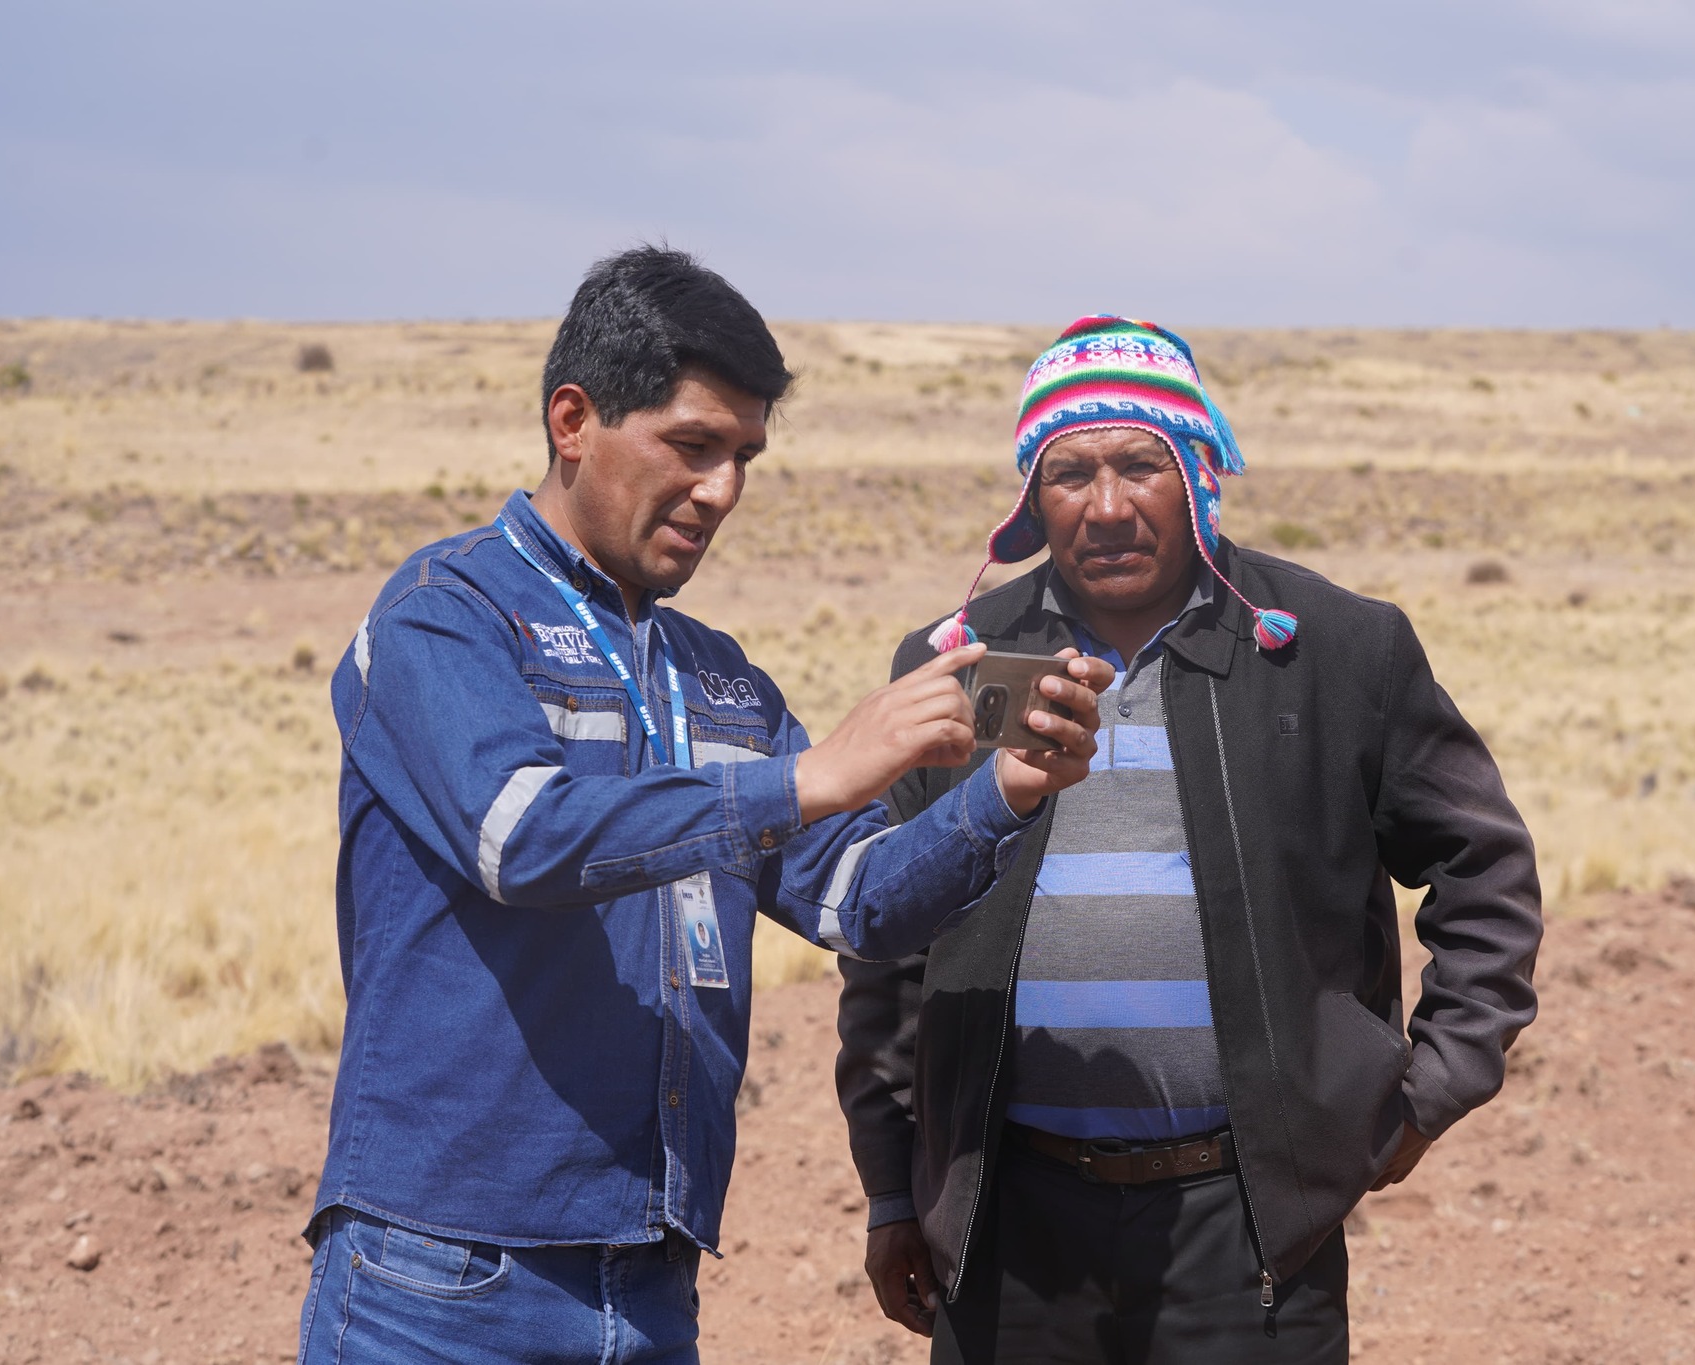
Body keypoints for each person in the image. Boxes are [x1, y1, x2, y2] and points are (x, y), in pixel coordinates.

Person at [294, 249, 1113, 1365]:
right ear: (572, 420)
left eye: (743, 457)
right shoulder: (442, 618)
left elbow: (858, 901)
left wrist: (1007, 795)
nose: (721, 490)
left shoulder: (715, 676)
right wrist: (808, 776)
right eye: (691, 445)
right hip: (442, 1275)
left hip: (648, 1276)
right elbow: (521, 837)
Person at [835, 315, 1543, 1364]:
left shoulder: (1330, 651)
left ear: (1201, 474)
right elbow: (888, 934)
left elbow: (1483, 871)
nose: (1107, 505)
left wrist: (1429, 1087)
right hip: (1007, 1224)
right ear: (1032, 497)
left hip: (1248, 1221)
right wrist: (896, 1186)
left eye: (1140, 465)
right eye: (1070, 473)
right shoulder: (963, 665)